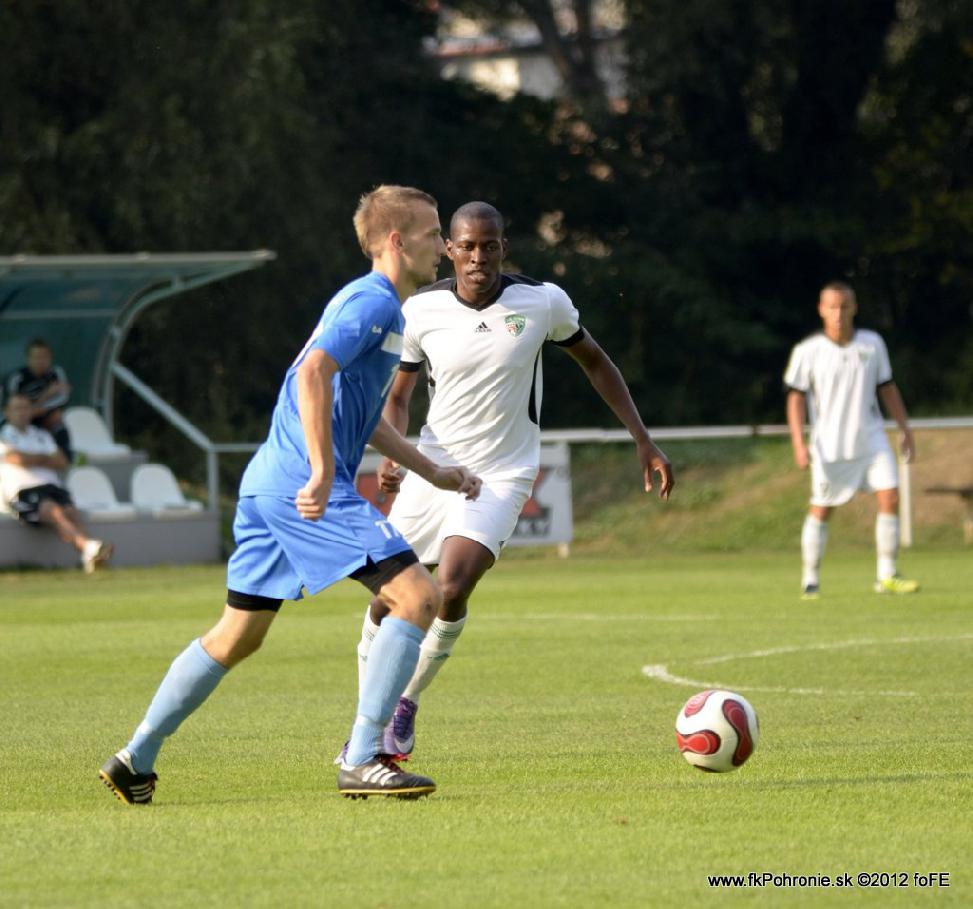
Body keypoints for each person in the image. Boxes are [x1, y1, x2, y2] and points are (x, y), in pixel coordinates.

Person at [98, 185, 482, 806]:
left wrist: (432, 471)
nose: (442, 246)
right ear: (395, 241)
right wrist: (324, 471)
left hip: (268, 485)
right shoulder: (373, 301)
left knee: (238, 635)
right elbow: (312, 373)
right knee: (418, 597)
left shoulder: (385, 310)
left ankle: (134, 757)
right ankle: (363, 758)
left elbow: (363, 416)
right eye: (433, 233)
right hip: (301, 483)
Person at [351, 201, 674, 763]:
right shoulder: (420, 309)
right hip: (433, 467)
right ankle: (367, 722)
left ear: (504, 247)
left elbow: (596, 362)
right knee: (388, 600)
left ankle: (402, 703)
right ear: (449, 249)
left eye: (489, 246)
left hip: (502, 472)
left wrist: (642, 439)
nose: (478, 257)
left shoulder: (543, 302)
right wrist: (396, 452)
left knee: (451, 586)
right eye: (467, 247)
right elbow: (399, 397)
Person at [784, 280, 918, 599]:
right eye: (832, 306)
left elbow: (887, 387)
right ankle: (810, 579)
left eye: (844, 306)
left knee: (890, 496)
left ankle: (887, 574)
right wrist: (798, 443)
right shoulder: (808, 351)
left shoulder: (872, 344)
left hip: (871, 439)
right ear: (821, 310)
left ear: (854, 308)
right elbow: (796, 398)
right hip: (830, 446)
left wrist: (905, 429)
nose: (839, 313)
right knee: (822, 509)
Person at [0, 393, 112, 572]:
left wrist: (32, 458)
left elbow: (61, 461)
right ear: (7, 411)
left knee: (71, 512)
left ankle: (88, 553)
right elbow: (16, 458)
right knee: (54, 510)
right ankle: (89, 547)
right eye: (17, 408)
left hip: (51, 487)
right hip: (22, 492)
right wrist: (44, 458)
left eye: (25, 408)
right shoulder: (3, 435)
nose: (22, 412)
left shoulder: (41, 434)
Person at [4, 338, 73, 460]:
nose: (40, 361)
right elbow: (13, 404)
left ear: (50, 358)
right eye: (36, 357)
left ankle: (65, 459)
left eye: (44, 357)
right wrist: (45, 396)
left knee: (58, 422)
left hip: (45, 414)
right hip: (22, 416)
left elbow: (63, 397)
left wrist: (41, 409)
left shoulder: (56, 372)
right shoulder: (17, 378)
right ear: (28, 359)